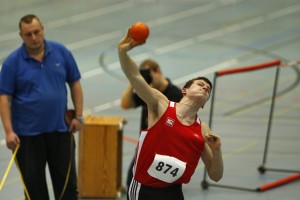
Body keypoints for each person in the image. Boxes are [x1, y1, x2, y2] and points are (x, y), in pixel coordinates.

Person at [118, 30, 223, 200]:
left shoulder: (203, 129)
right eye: (200, 84)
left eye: (208, 89)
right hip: (144, 190)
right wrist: (122, 52)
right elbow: (135, 76)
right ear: (185, 91)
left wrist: (217, 151)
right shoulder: (161, 104)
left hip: (174, 193)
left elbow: (216, 175)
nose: (205, 88)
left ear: (204, 104)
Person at [0, 14, 83, 200]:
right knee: (34, 190)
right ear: (21, 36)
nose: (34, 37)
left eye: (37, 32)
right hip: (27, 137)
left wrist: (79, 116)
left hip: (61, 131)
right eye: (28, 34)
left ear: (43, 29)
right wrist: (8, 131)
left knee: (68, 187)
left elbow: (75, 83)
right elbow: (4, 97)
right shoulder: (12, 63)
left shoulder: (61, 52)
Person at [120, 59, 183, 188]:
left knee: (157, 187)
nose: (147, 79)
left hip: (166, 151)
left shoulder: (176, 94)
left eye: (149, 75)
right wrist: (135, 81)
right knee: (131, 182)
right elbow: (125, 104)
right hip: (145, 148)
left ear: (158, 71)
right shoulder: (147, 92)